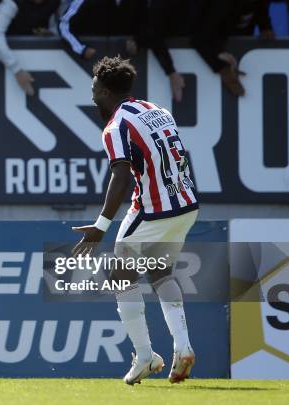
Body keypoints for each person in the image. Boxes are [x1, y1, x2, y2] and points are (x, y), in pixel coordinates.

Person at [72, 56, 198, 385]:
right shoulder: (157, 110)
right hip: (186, 204)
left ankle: (144, 355)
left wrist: (100, 227)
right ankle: (182, 347)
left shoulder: (115, 126)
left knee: (120, 277)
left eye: (94, 88)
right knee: (160, 272)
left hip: (153, 209)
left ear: (104, 91)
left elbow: (121, 176)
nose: (92, 94)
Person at [0, 0, 61, 96]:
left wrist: (51, 32)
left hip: (42, 59)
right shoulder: (11, 3)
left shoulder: (56, 2)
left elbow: (64, 27)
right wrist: (17, 69)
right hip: (6, 62)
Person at [59, 0, 138, 61]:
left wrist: (137, 42)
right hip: (89, 62)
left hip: (119, 61)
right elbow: (64, 25)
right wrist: (81, 49)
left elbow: (141, 23)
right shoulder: (82, 1)